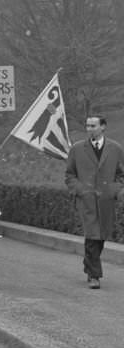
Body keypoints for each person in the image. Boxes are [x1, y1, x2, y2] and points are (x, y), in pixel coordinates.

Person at [65, 115, 124, 289]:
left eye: (93, 125)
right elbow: (70, 175)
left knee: (101, 236)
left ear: (103, 127)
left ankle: (88, 263)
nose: (89, 129)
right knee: (92, 235)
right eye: (87, 125)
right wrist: (81, 190)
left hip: (106, 200)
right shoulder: (77, 149)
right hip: (87, 200)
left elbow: (121, 174)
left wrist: (114, 190)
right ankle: (94, 275)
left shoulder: (115, 148)